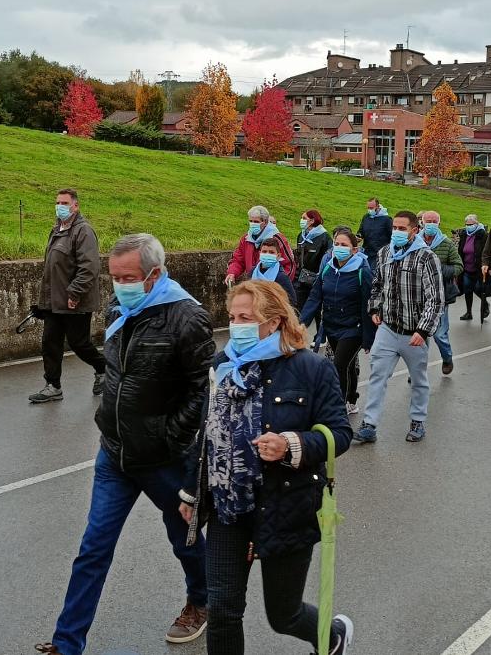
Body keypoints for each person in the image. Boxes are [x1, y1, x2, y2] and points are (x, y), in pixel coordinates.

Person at [37, 235, 212, 655]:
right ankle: (67, 644)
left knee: (183, 539)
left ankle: (201, 600)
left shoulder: (188, 317)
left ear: (155, 274)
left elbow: (201, 391)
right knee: (93, 548)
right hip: (114, 453)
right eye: (114, 277)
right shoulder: (121, 309)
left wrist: (171, 437)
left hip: (164, 459)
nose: (119, 285)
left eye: (128, 277)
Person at [179, 280, 355, 655]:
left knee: (283, 614)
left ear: (274, 322)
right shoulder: (223, 365)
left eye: (246, 317)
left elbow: (340, 434)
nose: (236, 324)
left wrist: (291, 444)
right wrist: (191, 492)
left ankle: (331, 635)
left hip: (285, 505)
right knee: (223, 610)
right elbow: (207, 432)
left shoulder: (312, 368)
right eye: (231, 316)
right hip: (229, 507)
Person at [355, 211, 444, 444]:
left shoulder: (426, 257)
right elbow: (376, 285)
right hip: (388, 328)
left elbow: (435, 299)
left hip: (414, 333)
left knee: (418, 379)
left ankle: (417, 421)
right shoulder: (385, 253)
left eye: (402, 228)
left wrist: (423, 331)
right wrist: (375, 309)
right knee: (377, 375)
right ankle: (369, 424)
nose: (397, 232)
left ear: (415, 230)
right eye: (395, 227)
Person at [30, 188, 107, 403]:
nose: (60, 207)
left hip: (76, 302)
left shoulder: (83, 231)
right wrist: (42, 303)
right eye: (58, 203)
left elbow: (89, 267)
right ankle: (53, 386)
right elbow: (51, 270)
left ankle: (103, 369)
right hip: (54, 302)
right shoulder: (56, 230)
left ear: (76, 206)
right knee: (50, 342)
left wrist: (74, 293)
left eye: (64, 203)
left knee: (79, 343)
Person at [299, 227, 375, 415]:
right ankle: (351, 399)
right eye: (336, 244)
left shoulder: (362, 271)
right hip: (332, 325)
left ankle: (337, 408)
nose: (339, 248)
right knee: (347, 365)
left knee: (338, 365)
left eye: (344, 245)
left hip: (353, 328)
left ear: (354, 250)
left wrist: (368, 338)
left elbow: (368, 305)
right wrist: (302, 322)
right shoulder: (328, 268)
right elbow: (315, 297)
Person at [421, 211, 463, 375]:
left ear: (438, 223)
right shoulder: (415, 242)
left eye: (434, 221)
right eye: (428, 221)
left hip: (440, 297)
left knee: (439, 335)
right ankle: (418, 369)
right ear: (422, 222)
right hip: (419, 296)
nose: (431, 224)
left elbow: (458, 266)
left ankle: (447, 358)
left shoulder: (446, 243)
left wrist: (439, 270)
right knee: (420, 336)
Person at [226, 205, 295, 285]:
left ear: (265, 222)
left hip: (273, 284)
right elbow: (238, 259)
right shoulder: (246, 239)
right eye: (251, 221)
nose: (252, 224)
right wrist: (232, 273)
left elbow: (289, 264)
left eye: (256, 222)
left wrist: (280, 286)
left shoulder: (277, 238)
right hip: (254, 283)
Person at [294, 209, 331, 337]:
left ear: (312, 220)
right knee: (299, 305)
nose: (302, 220)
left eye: (304, 218)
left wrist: (321, 276)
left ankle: (320, 336)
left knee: (317, 307)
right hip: (302, 277)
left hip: (316, 277)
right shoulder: (301, 235)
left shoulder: (324, 237)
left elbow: (327, 258)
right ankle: (298, 332)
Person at [457, 213, 490, 321]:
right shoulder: (464, 235)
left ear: (476, 224)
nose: (468, 226)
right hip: (466, 268)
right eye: (467, 224)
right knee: (467, 289)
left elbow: (487, 251)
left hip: (478, 268)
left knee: (477, 288)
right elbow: (461, 250)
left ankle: (485, 305)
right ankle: (468, 312)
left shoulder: (483, 235)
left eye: (471, 224)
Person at [251, 237, 298, 306]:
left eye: (271, 252)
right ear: (259, 253)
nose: (267, 254)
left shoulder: (281, 277)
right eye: (264, 252)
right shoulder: (252, 272)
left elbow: (292, 301)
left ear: (278, 256)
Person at [357, 197, 393, 269]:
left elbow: (392, 236)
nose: (370, 210)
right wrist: (358, 236)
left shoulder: (386, 220)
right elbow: (361, 231)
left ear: (378, 206)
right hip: (367, 251)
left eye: (371, 208)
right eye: (368, 208)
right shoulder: (366, 217)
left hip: (379, 253)